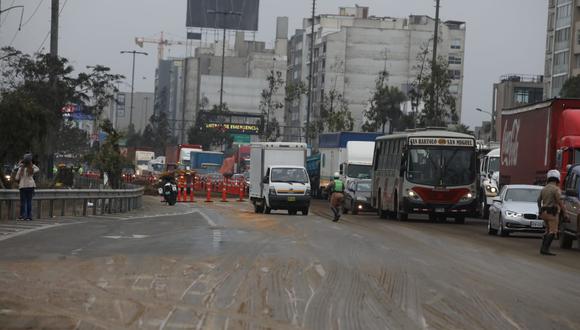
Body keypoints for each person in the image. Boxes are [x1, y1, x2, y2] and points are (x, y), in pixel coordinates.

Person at [537, 169, 565, 256]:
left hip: (544, 213)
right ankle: (545, 249)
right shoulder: (556, 189)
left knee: (548, 230)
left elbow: (538, 200)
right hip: (552, 213)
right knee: (553, 231)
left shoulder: (544, 189)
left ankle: (543, 248)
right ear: (557, 179)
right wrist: (565, 212)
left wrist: (539, 210)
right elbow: (560, 202)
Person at [15, 153, 40, 221]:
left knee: (23, 202)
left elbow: (16, 178)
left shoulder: (21, 168)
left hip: (23, 186)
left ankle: (23, 216)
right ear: (30, 161)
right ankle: (29, 216)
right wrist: (31, 164)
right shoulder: (31, 168)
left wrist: (20, 164)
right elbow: (37, 169)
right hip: (31, 186)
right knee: (29, 201)